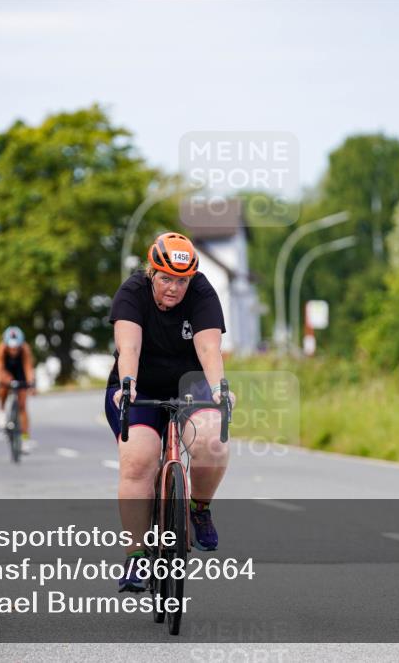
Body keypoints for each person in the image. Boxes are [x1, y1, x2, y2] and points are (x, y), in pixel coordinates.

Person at [104, 232, 236, 592]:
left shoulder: (202, 292)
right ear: (151, 273)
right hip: (138, 387)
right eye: (165, 278)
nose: (174, 288)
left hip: (189, 384)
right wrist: (128, 384)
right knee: (138, 460)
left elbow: (209, 349)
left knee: (212, 441)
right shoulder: (132, 292)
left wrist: (219, 390)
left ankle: (198, 509)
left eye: (181, 280)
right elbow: (128, 345)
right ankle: (135, 556)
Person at [0, 326, 36, 451]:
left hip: (20, 372)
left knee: (23, 406)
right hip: (6, 372)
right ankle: (1, 409)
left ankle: (25, 438)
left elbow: (28, 368)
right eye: (11, 348)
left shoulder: (25, 349)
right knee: (3, 385)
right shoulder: (1, 349)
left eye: (16, 348)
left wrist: (31, 384)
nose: (13, 351)